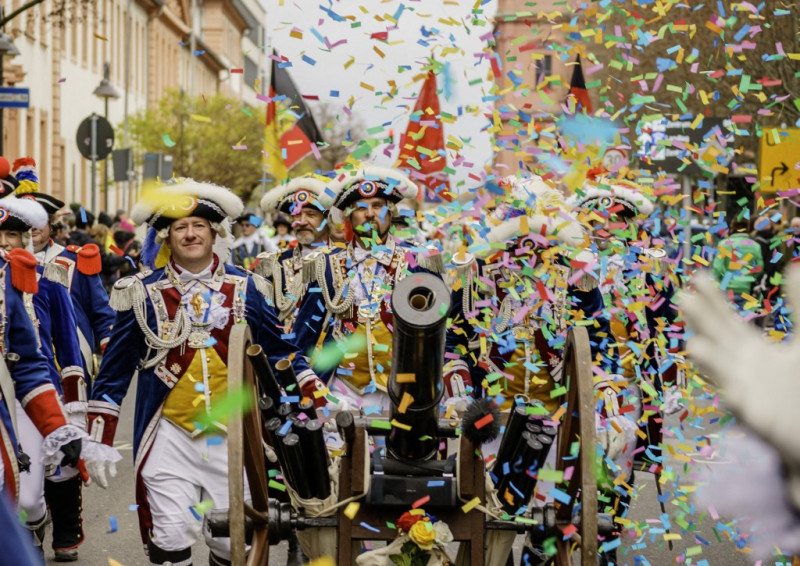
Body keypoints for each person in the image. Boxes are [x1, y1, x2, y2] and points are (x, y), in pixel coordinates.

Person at [85, 178, 324, 566]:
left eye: (199, 225)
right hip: (168, 433)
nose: (190, 233)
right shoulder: (141, 292)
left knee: (234, 542)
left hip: (233, 435)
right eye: (181, 227)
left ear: (215, 233)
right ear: (166, 237)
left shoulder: (247, 287)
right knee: (170, 535)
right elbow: (114, 372)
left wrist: (311, 402)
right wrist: (98, 435)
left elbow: (282, 355)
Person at [444, 174, 608, 564]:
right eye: (522, 240)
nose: (530, 250)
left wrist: (603, 396)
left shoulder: (578, 281)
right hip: (494, 416)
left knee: (549, 518)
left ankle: (537, 557)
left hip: (556, 415)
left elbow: (598, 346)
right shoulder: (476, 278)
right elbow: (453, 343)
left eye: (541, 240)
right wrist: (460, 392)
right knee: (490, 516)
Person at [13, 157, 109, 561]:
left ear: (49, 223)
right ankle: (28, 527)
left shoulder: (71, 263)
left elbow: (99, 314)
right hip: (14, 380)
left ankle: (66, 532)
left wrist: (106, 345)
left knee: (64, 462)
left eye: (35, 222)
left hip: (65, 372)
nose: (28, 232)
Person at [294, 165, 443, 412]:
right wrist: (313, 390)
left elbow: (438, 333)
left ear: (390, 212)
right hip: (342, 391)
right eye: (361, 208)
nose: (370, 214)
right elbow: (303, 338)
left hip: (404, 391)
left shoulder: (419, 259)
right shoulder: (327, 263)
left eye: (377, 206)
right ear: (348, 217)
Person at [0, 161, 85, 557]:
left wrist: (63, 421)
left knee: (29, 499)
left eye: (12, 236)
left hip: (19, 400)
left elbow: (39, 361)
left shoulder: (41, 286)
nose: (5, 245)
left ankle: (39, 525)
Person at [257, 173, 335, 325]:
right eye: (297, 215)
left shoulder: (343, 260)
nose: (302, 222)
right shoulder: (275, 264)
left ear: (326, 220)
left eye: (311, 215)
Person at [711, 216, 764, 318]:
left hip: (726, 288)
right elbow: (759, 267)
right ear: (748, 227)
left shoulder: (724, 244)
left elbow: (717, 269)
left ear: (732, 227)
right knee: (744, 324)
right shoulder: (755, 245)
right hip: (746, 288)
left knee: (727, 322)